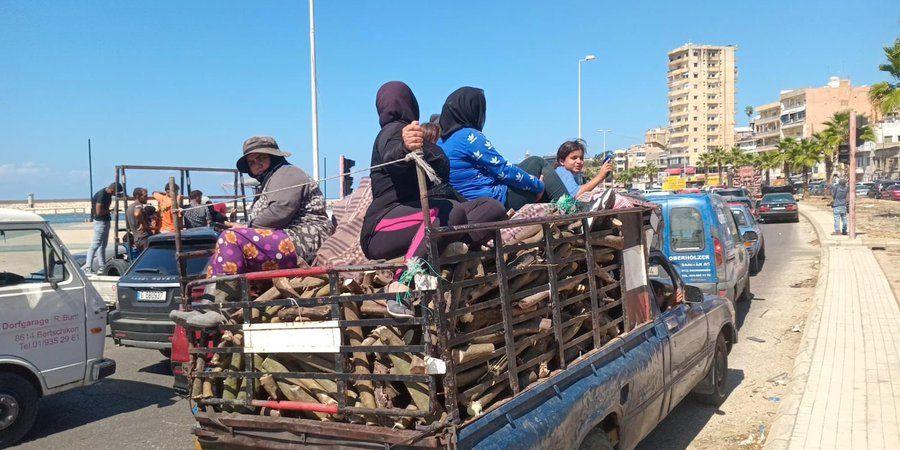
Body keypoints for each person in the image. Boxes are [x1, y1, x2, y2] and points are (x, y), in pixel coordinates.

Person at [360, 81, 507, 317]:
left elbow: (439, 169)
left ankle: (447, 244)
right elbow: (393, 153)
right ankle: (402, 283)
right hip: (381, 230)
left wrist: (425, 149)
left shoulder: (415, 134)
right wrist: (405, 147)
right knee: (449, 212)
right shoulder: (392, 132)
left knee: (490, 207)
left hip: (420, 216)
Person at [208, 135, 334, 277]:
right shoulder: (269, 180)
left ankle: (220, 297)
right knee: (220, 253)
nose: (257, 164)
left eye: (261, 158)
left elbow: (279, 212)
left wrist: (247, 227)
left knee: (230, 238)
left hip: (305, 238)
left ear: (274, 157)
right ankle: (211, 295)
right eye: (251, 162)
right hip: (287, 238)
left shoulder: (288, 173)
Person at [436, 86, 547, 210]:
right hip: (495, 201)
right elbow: (503, 170)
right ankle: (569, 212)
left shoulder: (441, 142)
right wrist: (539, 186)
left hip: (469, 205)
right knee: (536, 162)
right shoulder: (469, 136)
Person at [82, 182, 122, 273]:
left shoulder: (107, 193)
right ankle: (88, 267)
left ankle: (102, 266)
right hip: (100, 222)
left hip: (105, 221)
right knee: (95, 245)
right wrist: (111, 211)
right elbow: (98, 211)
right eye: (115, 193)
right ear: (113, 190)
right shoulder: (102, 195)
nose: (115, 195)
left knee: (103, 245)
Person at [125, 187, 153, 252]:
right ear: (138, 196)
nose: (147, 198)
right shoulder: (139, 205)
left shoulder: (129, 208)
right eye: (145, 196)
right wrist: (144, 224)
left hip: (137, 239)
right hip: (144, 238)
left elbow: (129, 225)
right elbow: (137, 213)